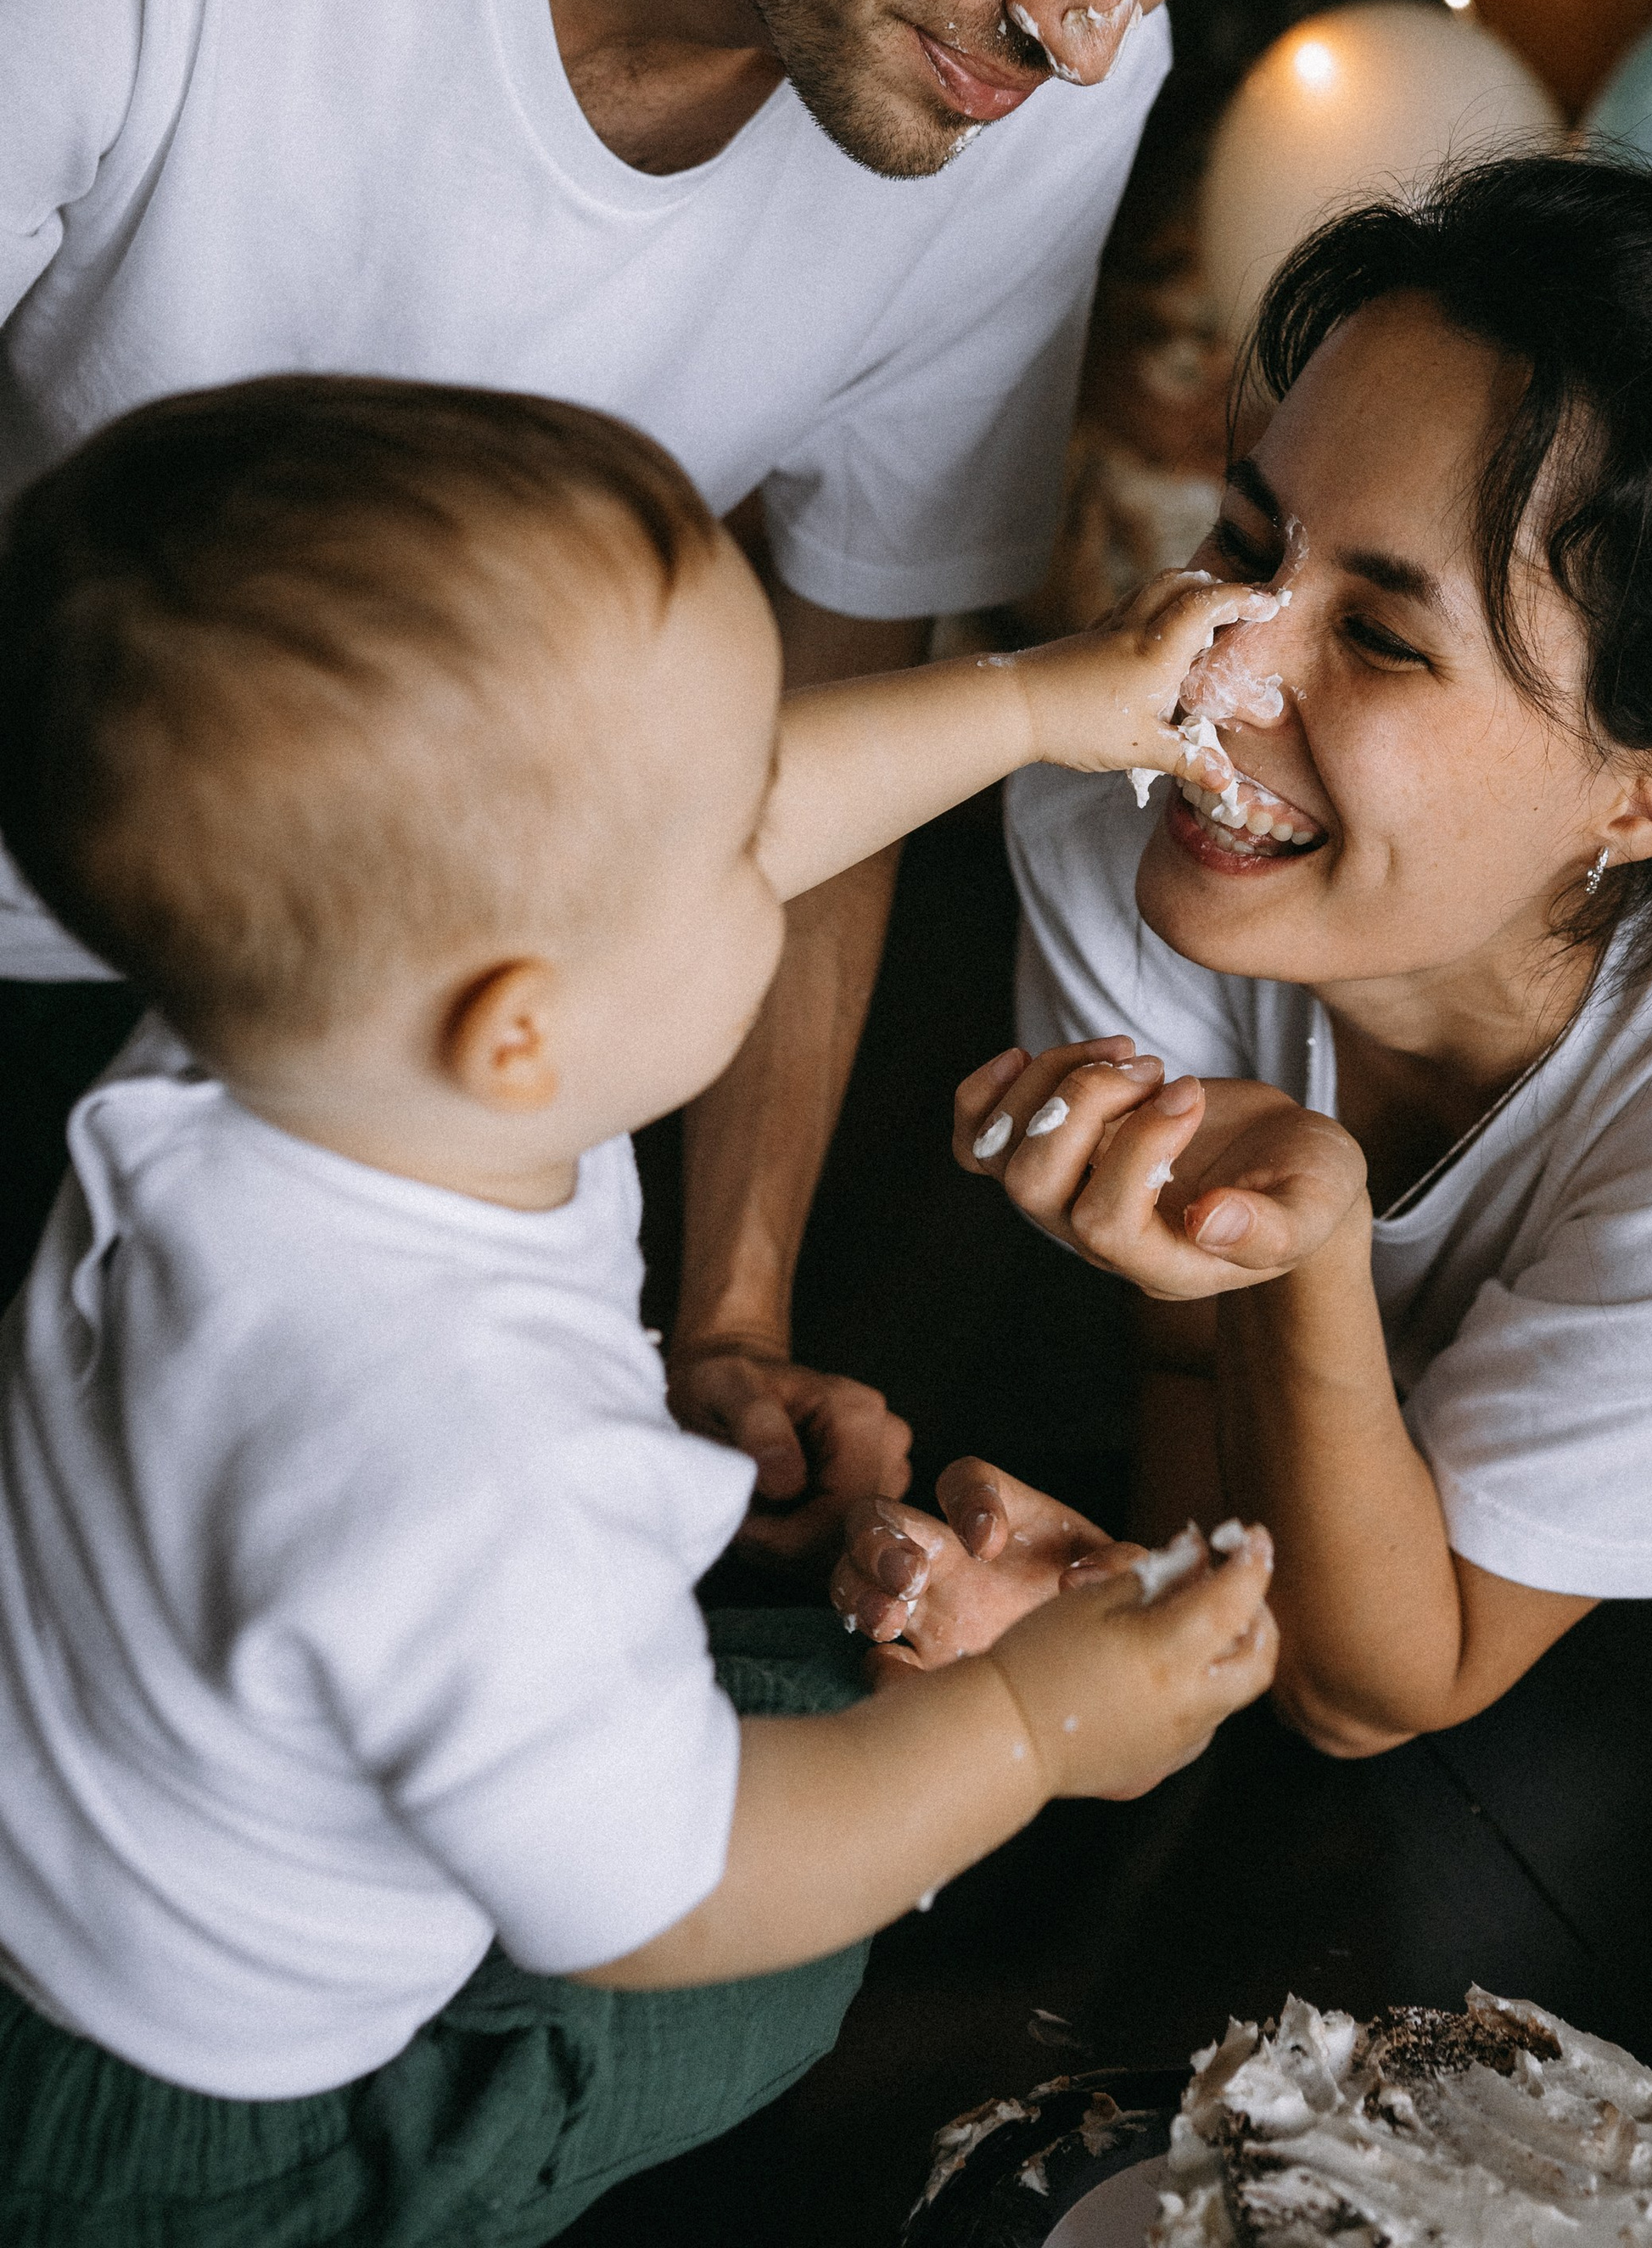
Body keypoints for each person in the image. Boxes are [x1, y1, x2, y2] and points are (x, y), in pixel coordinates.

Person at [0, 0, 1408, 1556]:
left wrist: (722, 1324)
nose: (1088, 27)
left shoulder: (1034, 83)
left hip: (439, 1090)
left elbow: (838, 672)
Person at [0, 373, 1279, 2242]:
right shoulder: (466, 1460)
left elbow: (723, 823)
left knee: (784, 1708)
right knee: (786, 1959)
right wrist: (1030, 1737)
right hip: (211, 2129)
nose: (774, 847)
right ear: (517, 1024)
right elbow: (668, 1902)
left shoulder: (262, 1045)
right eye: (725, 841)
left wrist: (1043, 701)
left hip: (115, 1840)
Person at [832, 154, 1652, 1748]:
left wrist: (1316, 1250)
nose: (1209, 677)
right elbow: (1189, 1358)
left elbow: (1378, 1694)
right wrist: (1152, 1613)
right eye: (1247, 538)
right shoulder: (1121, 806)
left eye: (1377, 635)